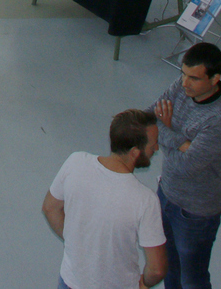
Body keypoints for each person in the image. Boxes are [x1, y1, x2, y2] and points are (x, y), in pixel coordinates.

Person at [42, 110, 169, 289]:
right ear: (134, 152)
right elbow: (157, 269)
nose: (156, 149)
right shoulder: (145, 200)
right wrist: (144, 284)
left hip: (70, 282)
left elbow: (50, 208)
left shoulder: (75, 162)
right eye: (153, 145)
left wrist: (77, 244)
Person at [152, 42, 221, 289]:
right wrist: (180, 141)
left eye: (193, 78)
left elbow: (186, 166)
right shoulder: (182, 87)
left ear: (215, 78)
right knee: (169, 267)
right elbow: (151, 114)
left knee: (192, 280)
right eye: (183, 74)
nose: (184, 83)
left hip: (195, 214)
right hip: (166, 195)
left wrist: (165, 131)